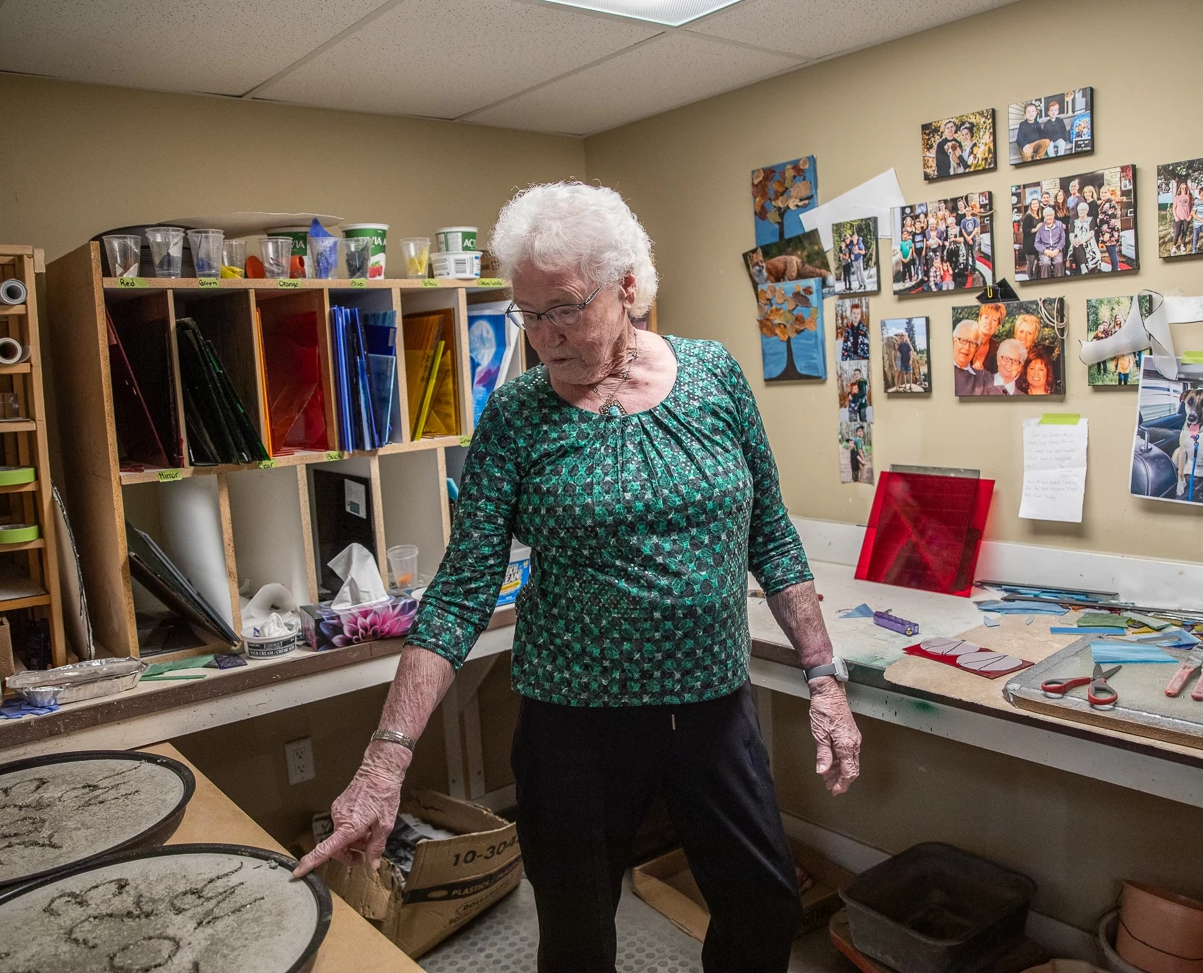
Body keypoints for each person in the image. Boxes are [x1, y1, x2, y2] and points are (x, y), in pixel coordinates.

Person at [293, 182, 862, 973]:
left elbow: (771, 532)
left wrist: (825, 679)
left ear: (627, 286)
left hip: (711, 709)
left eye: (562, 307)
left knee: (765, 909)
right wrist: (382, 765)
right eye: (527, 314)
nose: (543, 337)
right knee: (577, 937)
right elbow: (460, 592)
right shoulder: (517, 417)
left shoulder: (715, 378)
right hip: (575, 726)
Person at [953, 319, 994, 395]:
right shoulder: (943, 370)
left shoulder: (981, 379)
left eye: (972, 343)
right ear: (953, 341)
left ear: (976, 349)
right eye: (963, 340)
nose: (967, 348)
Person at [970, 301, 1005, 371]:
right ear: (979, 319)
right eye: (986, 317)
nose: (989, 322)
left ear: (998, 326)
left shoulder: (996, 349)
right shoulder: (965, 338)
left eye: (994, 320)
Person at [1034, 206, 1066, 278]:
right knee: (1045, 263)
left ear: (1054, 215)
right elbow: (1037, 243)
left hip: (1056, 249)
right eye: (1047, 216)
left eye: (1050, 215)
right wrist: (1045, 251)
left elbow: (1063, 239)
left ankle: (1059, 282)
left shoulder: (1059, 224)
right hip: (1045, 251)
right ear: (1044, 217)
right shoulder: (1041, 227)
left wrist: (1057, 250)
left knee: (1059, 262)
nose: (1049, 217)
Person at [1098, 187, 1124, 272]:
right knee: (1111, 252)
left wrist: (1107, 233)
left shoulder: (1111, 203)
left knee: (1112, 253)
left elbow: (1112, 219)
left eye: (1105, 192)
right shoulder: (1104, 203)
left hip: (1110, 234)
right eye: (1102, 192)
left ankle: (1115, 270)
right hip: (1105, 233)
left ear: (1109, 193)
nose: (1103, 194)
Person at [1069, 201, 1099, 274]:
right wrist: (1073, 241)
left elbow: (1091, 233)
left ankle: (1085, 267)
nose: (1082, 211)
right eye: (1080, 210)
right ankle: (1083, 267)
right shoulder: (1074, 221)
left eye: (1084, 210)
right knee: (1077, 245)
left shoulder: (1091, 219)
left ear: (1087, 211)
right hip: (1076, 242)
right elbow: (1071, 233)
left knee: (1080, 245)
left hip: (1088, 241)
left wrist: (1082, 241)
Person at [1021, 194, 1043, 278]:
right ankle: (1030, 279)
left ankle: (1035, 277)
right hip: (1030, 244)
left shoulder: (1038, 215)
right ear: (1030, 205)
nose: (1035, 205)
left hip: (1038, 242)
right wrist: (1036, 228)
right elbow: (1025, 230)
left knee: (1037, 262)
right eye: (1033, 204)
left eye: (1036, 203)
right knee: (1030, 263)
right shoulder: (1028, 216)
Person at [1170, 181, 1192, 255]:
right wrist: (1176, 217)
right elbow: (1174, 208)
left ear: (1187, 189)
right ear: (1180, 189)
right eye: (1182, 188)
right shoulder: (1177, 197)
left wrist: (1190, 216)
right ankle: (1174, 247)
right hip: (1178, 218)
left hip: (1186, 218)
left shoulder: (1189, 197)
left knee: (1184, 232)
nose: (1184, 189)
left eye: (1185, 188)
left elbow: (1192, 208)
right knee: (1177, 233)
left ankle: (1182, 245)